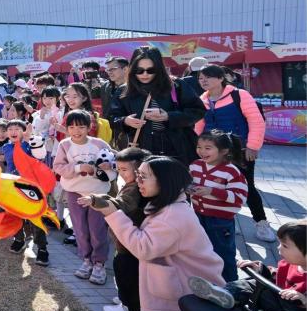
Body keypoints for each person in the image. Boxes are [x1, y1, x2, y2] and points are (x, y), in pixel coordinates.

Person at [90, 156, 225, 311]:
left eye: (144, 177)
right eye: (138, 175)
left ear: (163, 182)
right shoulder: (170, 205)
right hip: (183, 275)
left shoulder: (173, 216)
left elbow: (143, 248)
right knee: (125, 262)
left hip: (189, 283)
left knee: (127, 262)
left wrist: (112, 213)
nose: (138, 181)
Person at [189, 220, 306, 311]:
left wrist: (304, 299)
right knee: (252, 283)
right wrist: (259, 269)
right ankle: (225, 293)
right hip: (278, 303)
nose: (279, 248)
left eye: (285, 246)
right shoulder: (289, 264)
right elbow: (275, 275)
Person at [194, 64, 274, 243]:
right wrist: (198, 149)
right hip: (213, 153)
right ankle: (228, 218)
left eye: (208, 77)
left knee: (247, 187)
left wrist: (253, 146)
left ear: (221, 78)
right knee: (219, 186)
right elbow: (198, 127)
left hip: (241, 151)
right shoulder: (201, 100)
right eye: (200, 78)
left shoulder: (239, 95)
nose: (203, 81)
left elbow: (256, 121)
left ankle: (261, 223)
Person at [81, 147, 150, 311]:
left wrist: (96, 200)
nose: (121, 174)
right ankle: (125, 300)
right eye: (118, 169)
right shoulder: (136, 185)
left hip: (129, 241)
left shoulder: (134, 188)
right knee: (127, 275)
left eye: (125, 170)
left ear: (140, 169)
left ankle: (127, 309)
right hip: (127, 240)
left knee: (126, 274)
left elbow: (121, 204)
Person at [109, 46, 206, 165]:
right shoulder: (124, 91)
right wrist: (125, 121)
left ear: (159, 68)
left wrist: (169, 116)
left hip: (176, 148)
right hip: (142, 149)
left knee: (177, 182)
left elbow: (198, 110)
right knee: (146, 182)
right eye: (139, 70)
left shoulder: (176, 85)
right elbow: (112, 117)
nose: (145, 74)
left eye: (150, 70)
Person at [53, 110, 116, 285]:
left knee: (97, 229)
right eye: (71, 127)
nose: (76, 131)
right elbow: (58, 166)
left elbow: (114, 162)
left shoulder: (99, 143)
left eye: (81, 126)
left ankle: (99, 263)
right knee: (80, 228)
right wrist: (78, 168)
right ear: (66, 128)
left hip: (97, 193)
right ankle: (86, 260)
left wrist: (105, 167)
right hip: (74, 192)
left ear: (89, 127)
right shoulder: (64, 145)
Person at [190, 130, 248, 282]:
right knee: (201, 251)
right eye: (199, 147)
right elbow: (188, 182)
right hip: (198, 216)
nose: (202, 151)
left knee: (223, 254)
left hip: (220, 221)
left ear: (224, 151)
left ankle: (231, 287)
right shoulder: (195, 166)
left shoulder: (231, 171)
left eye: (208, 148)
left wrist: (212, 191)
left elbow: (239, 197)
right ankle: (208, 280)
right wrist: (188, 188)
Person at [3, 119, 50, 266]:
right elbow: (13, 159)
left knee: (35, 218)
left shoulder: (30, 145)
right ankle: (19, 239)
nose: (13, 132)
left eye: (17, 129)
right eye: (10, 129)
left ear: (24, 132)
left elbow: (39, 154)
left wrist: (29, 139)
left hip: (31, 187)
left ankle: (42, 248)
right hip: (13, 186)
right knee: (14, 215)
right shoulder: (6, 147)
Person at [31, 85, 62, 167]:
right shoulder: (39, 113)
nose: (47, 101)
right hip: (43, 146)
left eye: (51, 98)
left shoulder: (60, 112)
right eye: (44, 98)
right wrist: (41, 117)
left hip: (56, 146)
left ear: (57, 98)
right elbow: (35, 131)